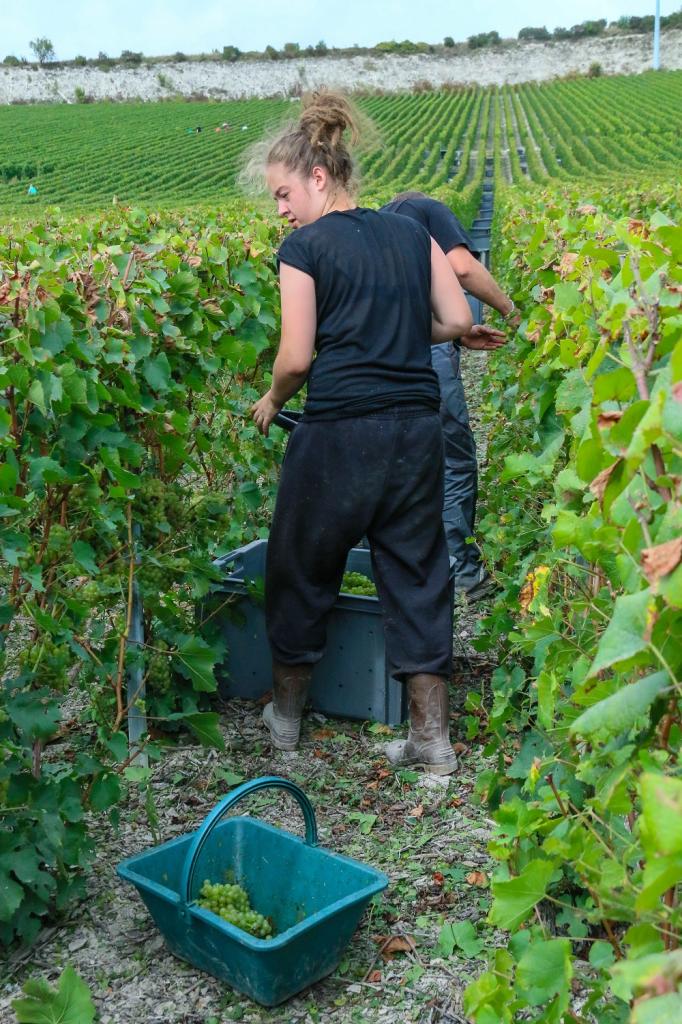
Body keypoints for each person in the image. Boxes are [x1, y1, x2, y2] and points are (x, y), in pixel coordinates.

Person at [250, 92, 473, 774]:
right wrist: (403, 336)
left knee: (301, 566)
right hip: (415, 432)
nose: (281, 210)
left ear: (320, 177)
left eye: (284, 193)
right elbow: (458, 320)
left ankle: (285, 723)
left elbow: (295, 356)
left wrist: (271, 397)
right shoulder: (413, 234)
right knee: (417, 572)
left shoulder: (305, 247)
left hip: (341, 432)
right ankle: (432, 743)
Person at [380, 191, 519, 600]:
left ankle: (404, 571)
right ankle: (462, 571)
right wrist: (513, 313)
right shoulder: (432, 212)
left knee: (398, 462)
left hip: (379, 350)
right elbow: (462, 269)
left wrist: (458, 335)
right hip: (425, 351)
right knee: (454, 458)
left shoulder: (381, 223)